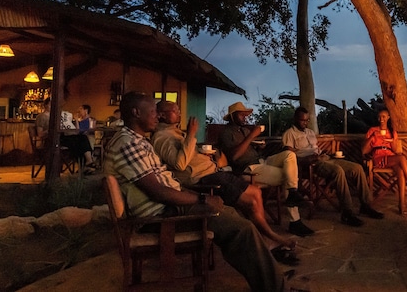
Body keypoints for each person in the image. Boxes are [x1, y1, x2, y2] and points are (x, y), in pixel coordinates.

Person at [105, 92, 288, 291]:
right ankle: (277, 287)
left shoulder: (138, 141)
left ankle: (269, 275)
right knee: (241, 229)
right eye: (152, 111)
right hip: (161, 217)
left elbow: (165, 185)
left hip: (169, 208)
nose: (157, 115)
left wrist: (199, 197)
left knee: (232, 216)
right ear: (136, 113)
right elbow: (158, 191)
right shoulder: (128, 143)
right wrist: (202, 199)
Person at [152, 100, 298, 258]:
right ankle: (270, 238)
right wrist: (192, 134)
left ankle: (265, 239)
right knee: (251, 201)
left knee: (256, 192)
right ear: (161, 115)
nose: (179, 113)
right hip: (203, 179)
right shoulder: (162, 137)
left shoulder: (176, 133)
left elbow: (188, 155)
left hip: (215, 172)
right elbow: (180, 164)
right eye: (175, 110)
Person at [218, 101, 315, 237]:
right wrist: (252, 136)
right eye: (242, 115)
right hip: (248, 169)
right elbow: (234, 156)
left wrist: (258, 147)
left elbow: (248, 149)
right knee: (289, 177)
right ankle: (295, 221)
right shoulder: (226, 133)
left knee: (289, 155)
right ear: (232, 116)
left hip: (262, 161)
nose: (245, 117)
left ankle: (293, 195)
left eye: (246, 115)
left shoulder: (244, 130)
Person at [282, 107, 384, 227]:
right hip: (312, 164)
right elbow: (289, 156)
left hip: (325, 158)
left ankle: (366, 205)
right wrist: (308, 159)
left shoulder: (310, 132)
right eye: (302, 120)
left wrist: (325, 153)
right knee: (338, 171)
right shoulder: (289, 134)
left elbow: (315, 149)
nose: (305, 123)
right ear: (295, 118)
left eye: (307, 120)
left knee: (357, 168)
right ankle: (347, 212)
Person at [362, 108, 407, 199]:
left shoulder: (392, 132)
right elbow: (364, 151)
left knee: (400, 171)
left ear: (388, 117)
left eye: (383, 116)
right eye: (379, 117)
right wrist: (372, 137)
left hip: (390, 157)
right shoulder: (372, 130)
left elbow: (395, 150)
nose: (381, 119)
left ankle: (401, 204)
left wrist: (392, 141)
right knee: (402, 158)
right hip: (379, 157)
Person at [36, 97, 98, 174]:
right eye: (50, 104)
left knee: (82, 138)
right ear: (45, 105)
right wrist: (51, 129)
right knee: (77, 142)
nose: (53, 107)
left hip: (64, 136)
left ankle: (88, 162)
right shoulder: (41, 117)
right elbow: (40, 134)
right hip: (53, 139)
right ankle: (87, 165)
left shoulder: (59, 115)